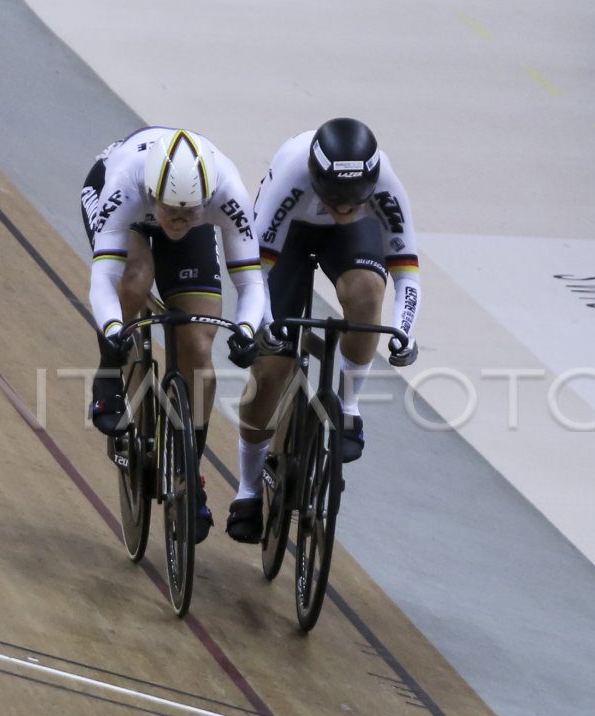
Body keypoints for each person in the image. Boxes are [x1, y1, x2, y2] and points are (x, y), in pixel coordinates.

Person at [226, 118, 421, 543]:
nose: (343, 210)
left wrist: (404, 332)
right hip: (287, 239)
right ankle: (247, 488)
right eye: (334, 200)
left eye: (354, 202)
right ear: (316, 178)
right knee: (270, 371)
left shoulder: (384, 180)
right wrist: (267, 329)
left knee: (369, 293)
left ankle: (349, 408)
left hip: (350, 242)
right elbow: (254, 272)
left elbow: (407, 272)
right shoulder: (293, 173)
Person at [81, 126, 265, 543]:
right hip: (121, 208)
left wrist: (247, 331)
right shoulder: (126, 182)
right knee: (135, 276)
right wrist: (113, 331)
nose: (180, 223)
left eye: (190, 214)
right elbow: (102, 280)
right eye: (172, 212)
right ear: (153, 192)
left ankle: (187, 473)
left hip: (175, 204)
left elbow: (252, 284)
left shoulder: (227, 192)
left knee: (198, 346)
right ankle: (111, 373)